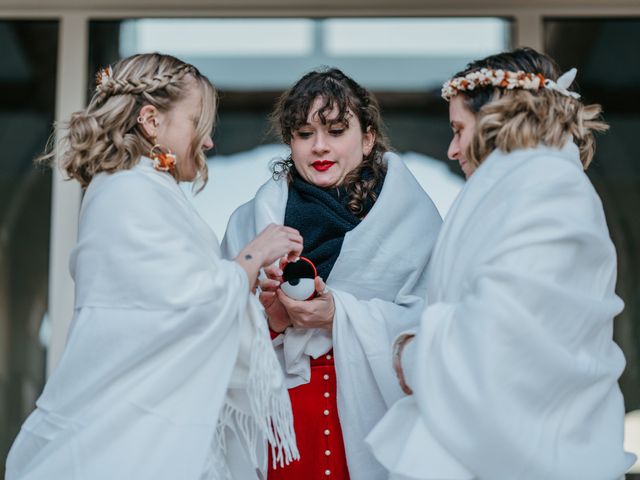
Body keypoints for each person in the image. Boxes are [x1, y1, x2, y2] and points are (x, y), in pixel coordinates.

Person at [6, 53, 302, 480]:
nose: (208, 143)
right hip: (130, 440)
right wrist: (252, 258)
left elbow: (168, 306)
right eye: (197, 123)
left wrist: (255, 307)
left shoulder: (141, 189)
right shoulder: (129, 192)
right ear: (150, 120)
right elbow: (183, 305)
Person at [366, 47, 636, 479]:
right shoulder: (523, 188)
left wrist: (410, 352)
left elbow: (503, 335)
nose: (453, 150)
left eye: (459, 129)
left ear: (496, 118)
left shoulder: (547, 190)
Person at [222, 68, 442, 480]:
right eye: (304, 134)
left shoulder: (417, 223)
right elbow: (215, 334)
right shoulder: (250, 225)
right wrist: (270, 322)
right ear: (290, 141)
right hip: (282, 427)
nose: (319, 147)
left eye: (337, 130)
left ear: (368, 136)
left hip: (379, 422)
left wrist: (338, 314)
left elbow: (439, 327)